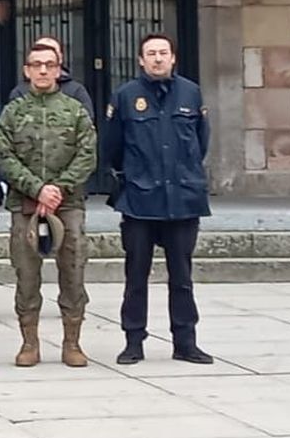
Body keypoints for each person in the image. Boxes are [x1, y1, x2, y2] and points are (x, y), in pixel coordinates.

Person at [102, 33, 214, 366]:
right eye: (150, 53)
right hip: (140, 199)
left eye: (163, 53)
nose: (157, 59)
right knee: (136, 276)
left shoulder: (191, 93)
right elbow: (112, 147)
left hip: (182, 198)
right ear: (140, 60)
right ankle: (133, 341)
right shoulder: (125, 96)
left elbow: (201, 141)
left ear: (173, 58)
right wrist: (134, 176)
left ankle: (186, 341)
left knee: (182, 277)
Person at [0, 44, 97, 368]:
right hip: (26, 206)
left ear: (58, 70)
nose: (42, 71)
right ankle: (29, 341)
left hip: (68, 206)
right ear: (26, 70)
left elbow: (87, 154)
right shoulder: (12, 112)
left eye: (48, 65)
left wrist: (58, 188)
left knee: (73, 272)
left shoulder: (75, 110)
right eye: (36, 65)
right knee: (26, 275)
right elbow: (3, 155)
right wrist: (37, 189)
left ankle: (72, 342)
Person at [6, 36, 97, 120]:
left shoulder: (76, 90)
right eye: (37, 63)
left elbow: (87, 123)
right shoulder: (20, 92)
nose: (43, 70)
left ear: (59, 58)